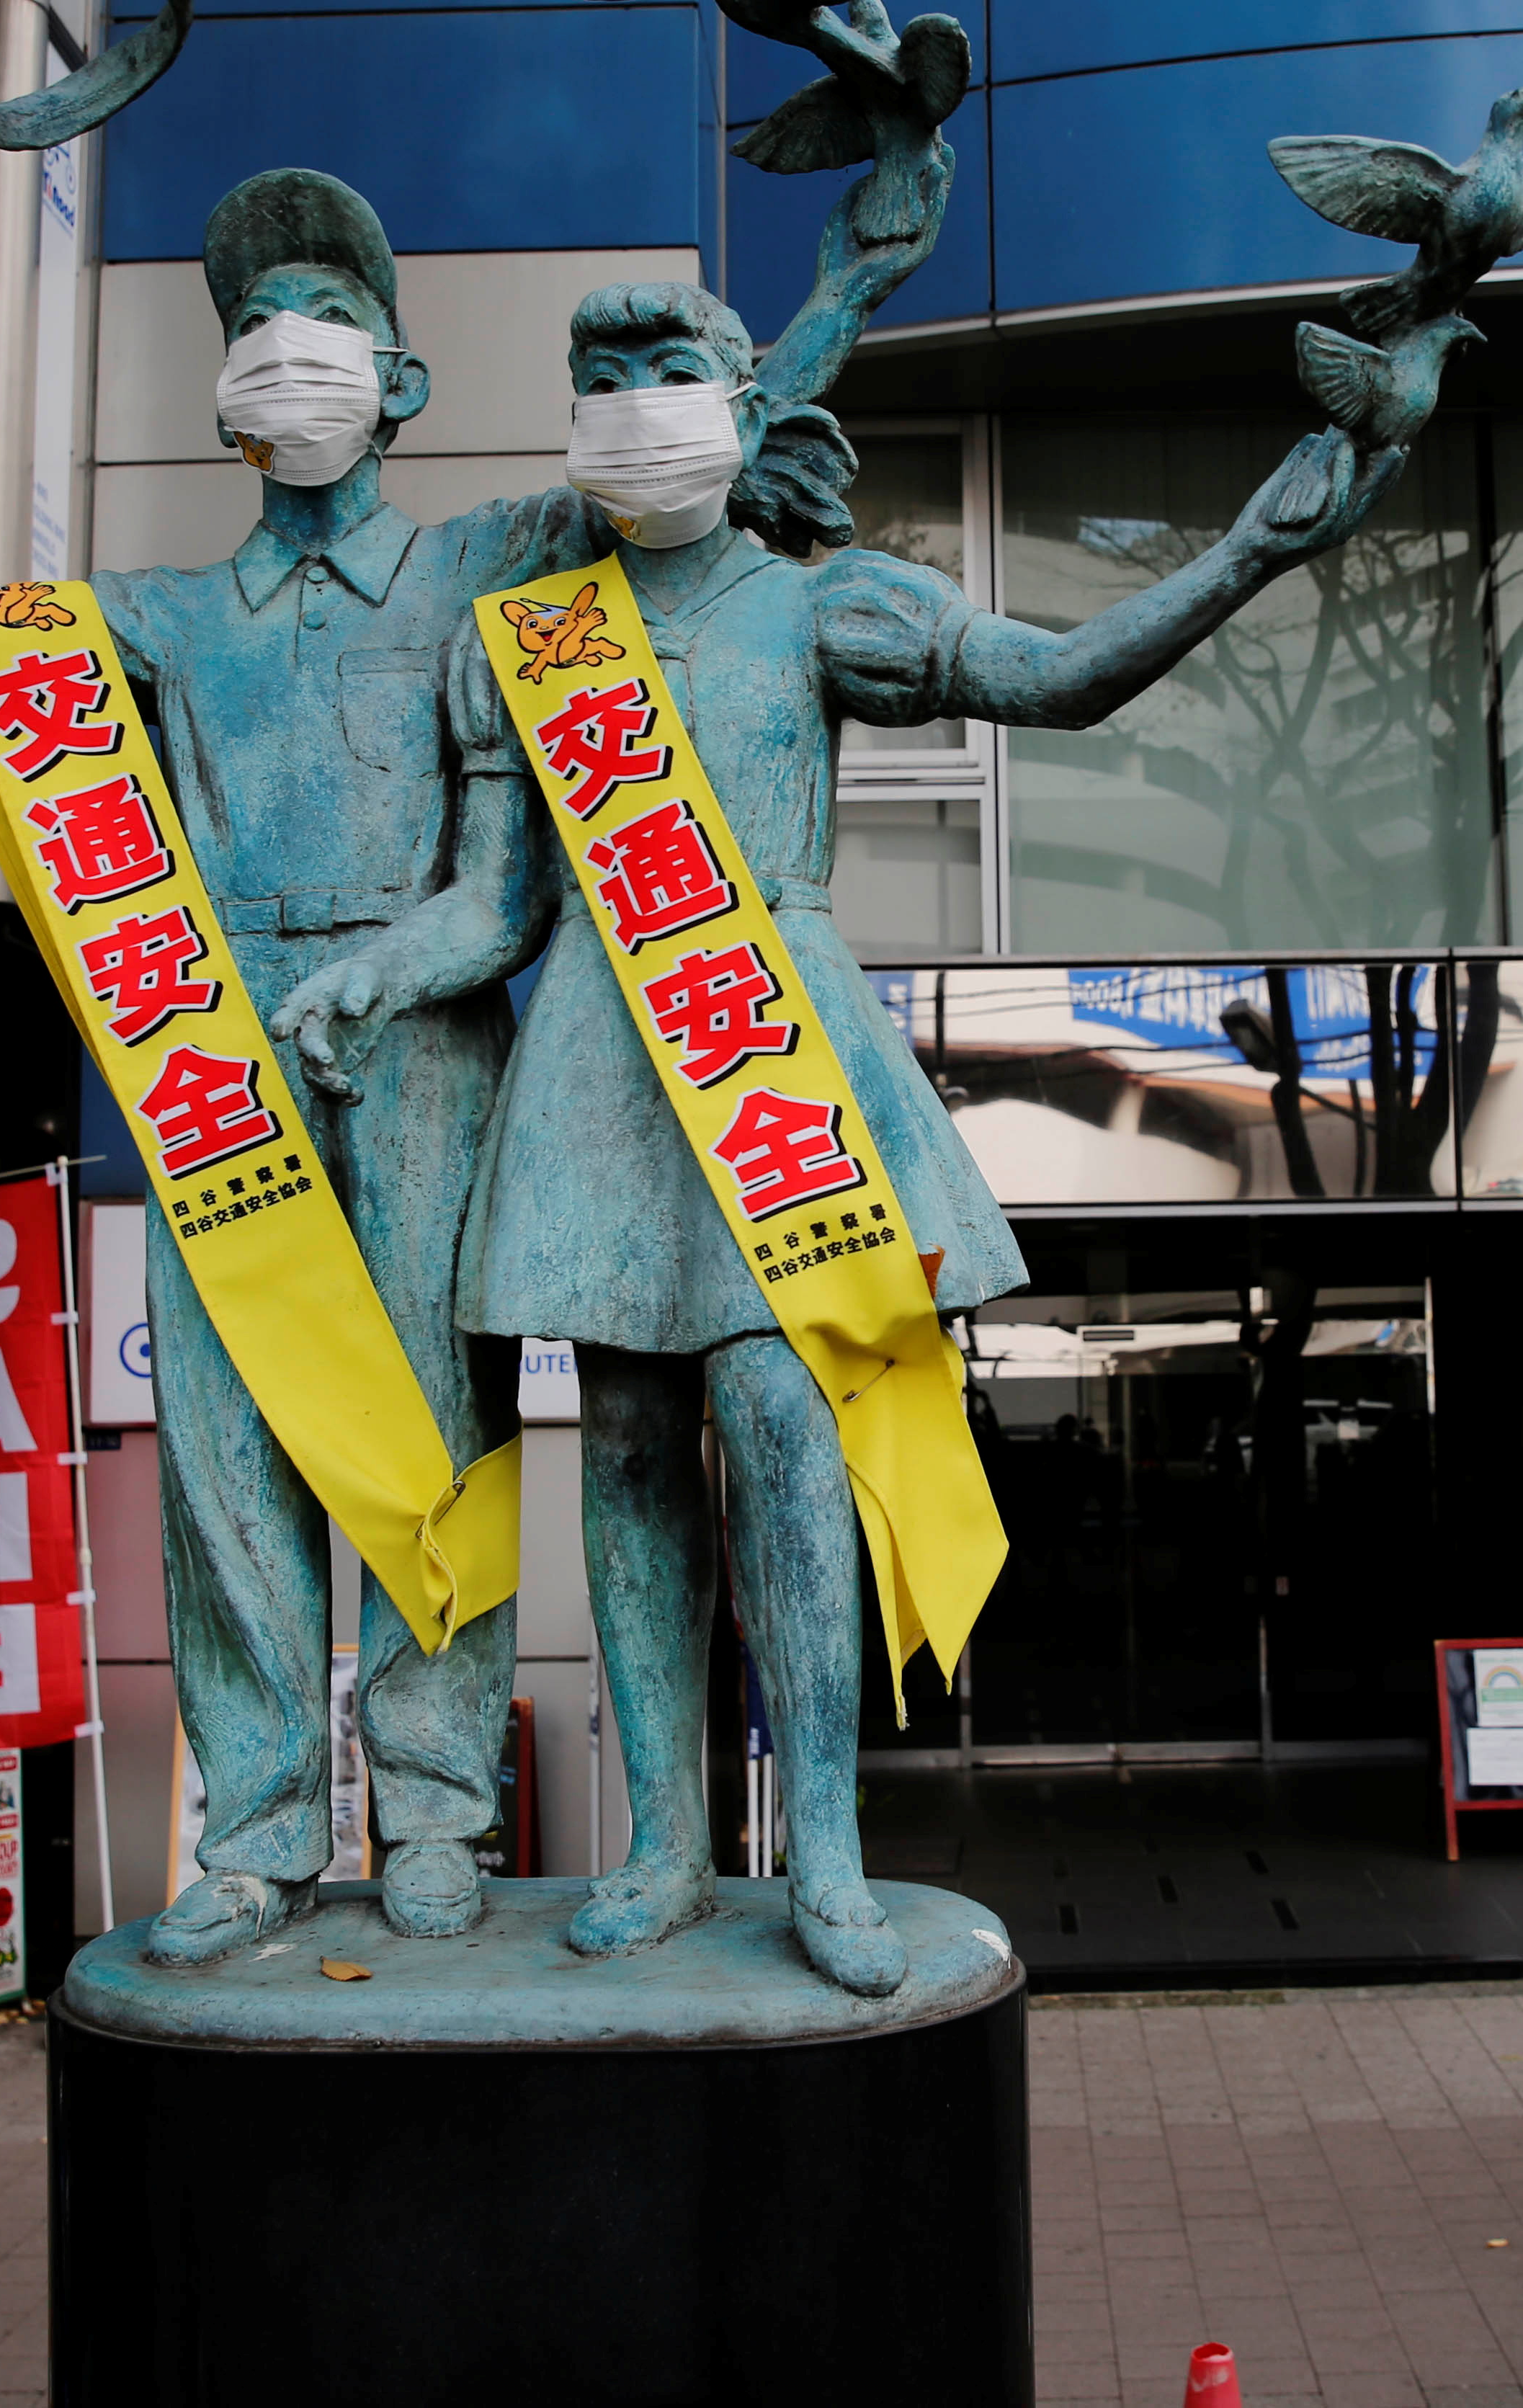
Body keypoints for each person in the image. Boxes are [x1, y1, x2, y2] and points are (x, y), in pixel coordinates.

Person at [0, 164, 934, 1968]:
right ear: (223, 387)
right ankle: (253, 1831)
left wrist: (845, 280)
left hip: (433, 1027)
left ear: (404, 387)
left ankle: (438, 1812)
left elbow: (690, 426)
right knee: (224, 1442)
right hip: (214, 1036)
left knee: (439, 1433)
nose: (288, 358)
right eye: (254, 333)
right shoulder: (156, 617)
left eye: (333, 332)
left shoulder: (499, 554)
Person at [283, 279, 1405, 1993]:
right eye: (604, 375)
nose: (636, 401)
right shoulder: (525, 638)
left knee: (782, 1425)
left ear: (740, 407)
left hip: (765, 1047)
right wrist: (373, 968)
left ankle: (826, 1848)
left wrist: (1250, 549)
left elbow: (1060, 675)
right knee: (638, 1452)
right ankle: (666, 1846)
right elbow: (494, 906)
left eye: (670, 371)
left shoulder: (819, 606)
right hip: (596, 1050)